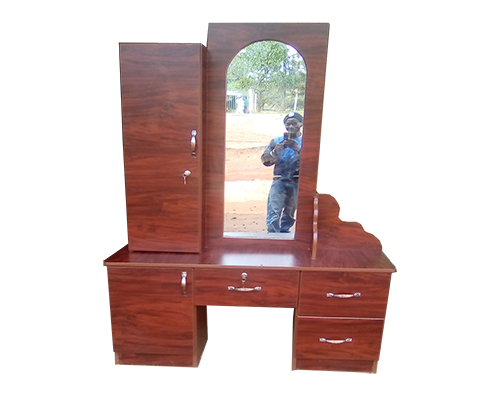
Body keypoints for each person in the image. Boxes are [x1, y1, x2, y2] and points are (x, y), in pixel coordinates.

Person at [261, 112, 303, 233]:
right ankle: (273, 236)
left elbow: (312, 162)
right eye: (288, 124)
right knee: (274, 212)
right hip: (279, 180)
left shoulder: (307, 142)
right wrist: (275, 152)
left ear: (301, 124)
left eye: (294, 123)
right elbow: (265, 161)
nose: (291, 127)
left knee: (289, 214)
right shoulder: (276, 141)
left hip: (296, 181)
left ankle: (284, 235)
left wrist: (298, 150)